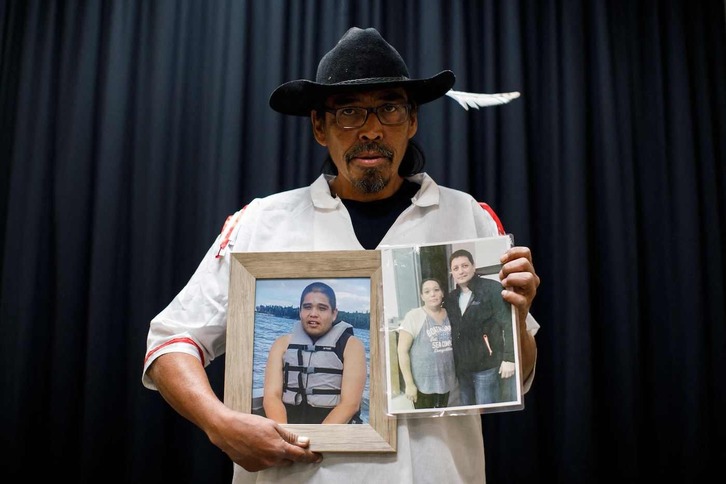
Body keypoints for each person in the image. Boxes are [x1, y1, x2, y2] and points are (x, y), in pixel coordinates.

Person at [142, 26, 540, 483]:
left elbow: (519, 370)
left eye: (389, 108)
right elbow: (169, 343)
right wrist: (220, 423)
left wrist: (517, 318)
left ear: (411, 121)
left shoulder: (469, 217)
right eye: (349, 112)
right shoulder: (261, 223)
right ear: (319, 126)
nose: (371, 129)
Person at [262, 282, 366, 424]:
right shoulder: (281, 345)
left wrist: (318, 441)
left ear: (334, 313)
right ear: (300, 311)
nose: (313, 314)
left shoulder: (352, 346)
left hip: (332, 431)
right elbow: (271, 396)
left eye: (322, 308)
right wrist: (286, 436)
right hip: (289, 428)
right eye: (307, 307)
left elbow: (350, 404)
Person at [446, 249, 517, 405]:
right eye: (456, 268)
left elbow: (509, 323)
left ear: (473, 266)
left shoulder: (492, 289)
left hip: (487, 368)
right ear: (452, 272)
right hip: (462, 370)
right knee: (469, 416)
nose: (461, 271)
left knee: (487, 413)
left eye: (464, 265)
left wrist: (509, 358)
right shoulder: (451, 298)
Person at [397, 278, 456, 409]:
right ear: (422, 296)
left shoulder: (450, 314)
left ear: (442, 293)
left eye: (436, 290)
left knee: (442, 420)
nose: (433, 294)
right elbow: (402, 351)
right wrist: (409, 384)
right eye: (427, 291)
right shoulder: (413, 316)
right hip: (422, 385)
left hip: (446, 382)